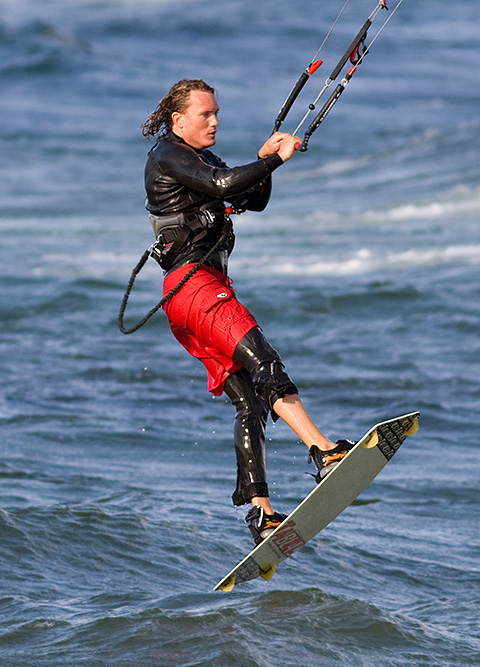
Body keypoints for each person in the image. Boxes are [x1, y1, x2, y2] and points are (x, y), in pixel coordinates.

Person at [141, 79, 353, 545]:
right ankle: (324, 452)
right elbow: (221, 184)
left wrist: (264, 162)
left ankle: (262, 516)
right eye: (205, 115)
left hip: (194, 295)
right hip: (194, 289)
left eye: (217, 113)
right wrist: (271, 159)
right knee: (265, 363)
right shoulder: (168, 155)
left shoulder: (200, 158)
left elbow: (252, 198)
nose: (215, 121)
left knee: (251, 402)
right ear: (179, 121)